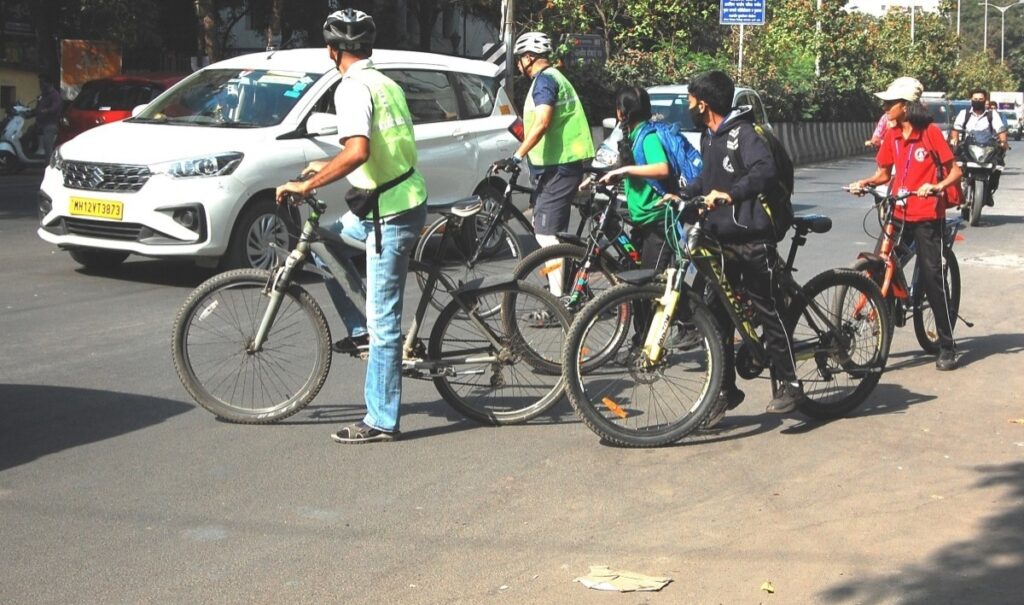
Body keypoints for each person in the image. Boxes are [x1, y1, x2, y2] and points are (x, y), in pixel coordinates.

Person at [275, 8, 428, 444]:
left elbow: (358, 151)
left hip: (389, 213)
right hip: (394, 200)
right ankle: (359, 331)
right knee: (325, 240)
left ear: (332, 50)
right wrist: (321, 166)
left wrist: (309, 187)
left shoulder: (352, 88)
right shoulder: (386, 83)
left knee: (385, 324)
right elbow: (376, 147)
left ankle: (381, 420)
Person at [680, 70, 804, 426]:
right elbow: (709, 178)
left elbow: (763, 172)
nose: (689, 106)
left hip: (752, 236)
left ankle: (791, 383)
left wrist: (731, 194)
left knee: (769, 309)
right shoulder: (710, 137)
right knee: (718, 315)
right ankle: (725, 391)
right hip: (720, 239)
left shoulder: (743, 133)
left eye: (690, 100)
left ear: (703, 103)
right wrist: (684, 192)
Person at [848, 76, 962, 371]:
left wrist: (936, 187)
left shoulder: (931, 133)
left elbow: (955, 172)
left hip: (927, 216)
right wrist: (865, 183)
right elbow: (884, 174)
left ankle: (947, 345)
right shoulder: (891, 134)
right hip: (898, 212)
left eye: (890, 103)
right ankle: (879, 334)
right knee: (878, 267)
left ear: (906, 106)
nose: (885, 107)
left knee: (933, 278)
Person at [495, 31, 594, 298]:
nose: (518, 65)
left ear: (530, 57)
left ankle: (558, 299)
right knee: (549, 231)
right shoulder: (551, 79)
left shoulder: (545, 82)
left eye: (519, 60)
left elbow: (542, 123)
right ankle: (573, 286)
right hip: (556, 165)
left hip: (561, 166)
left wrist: (517, 155)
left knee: (546, 236)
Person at [597, 87, 672, 272]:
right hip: (642, 221)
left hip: (658, 222)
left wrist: (628, 170)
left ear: (620, 113)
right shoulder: (632, 135)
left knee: (649, 285)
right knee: (636, 280)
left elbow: (662, 169)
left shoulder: (648, 136)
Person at [950, 88, 1007, 201]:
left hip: (987, 149)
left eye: (981, 99)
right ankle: (959, 190)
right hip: (967, 148)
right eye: (975, 99)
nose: (978, 101)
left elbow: (1001, 130)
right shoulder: (964, 114)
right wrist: (955, 140)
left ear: (985, 100)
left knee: (999, 165)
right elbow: (956, 129)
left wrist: (1003, 142)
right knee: (957, 163)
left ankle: (989, 191)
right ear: (971, 99)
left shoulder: (992, 115)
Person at [35, 77, 62, 159]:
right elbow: (38, 107)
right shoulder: (42, 95)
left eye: (43, 83)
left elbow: (55, 107)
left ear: (50, 84)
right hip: (40, 123)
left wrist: (46, 110)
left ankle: (49, 164)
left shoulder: (55, 95)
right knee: (28, 134)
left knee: (47, 144)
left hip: (50, 124)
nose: (41, 85)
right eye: (40, 83)